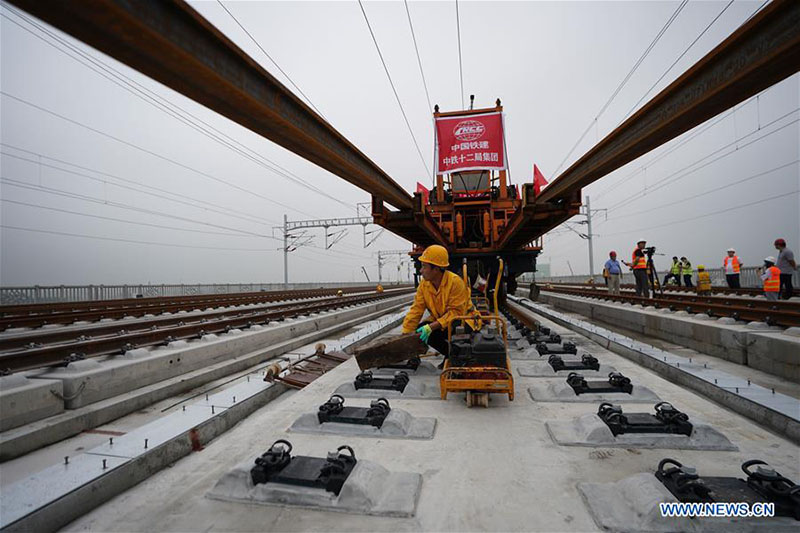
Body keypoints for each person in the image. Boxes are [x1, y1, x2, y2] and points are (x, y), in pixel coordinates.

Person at [401, 245, 479, 365]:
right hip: (442, 320)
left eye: (424, 267)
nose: (421, 271)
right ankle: (450, 354)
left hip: (464, 319)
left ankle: (460, 355)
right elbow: (416, 309)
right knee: (421, 330)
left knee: (455, 327)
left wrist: (431, 327)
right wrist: (406, 335)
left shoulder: (455, 282)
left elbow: (456, 313)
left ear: (436, 269)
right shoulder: (424, 285)